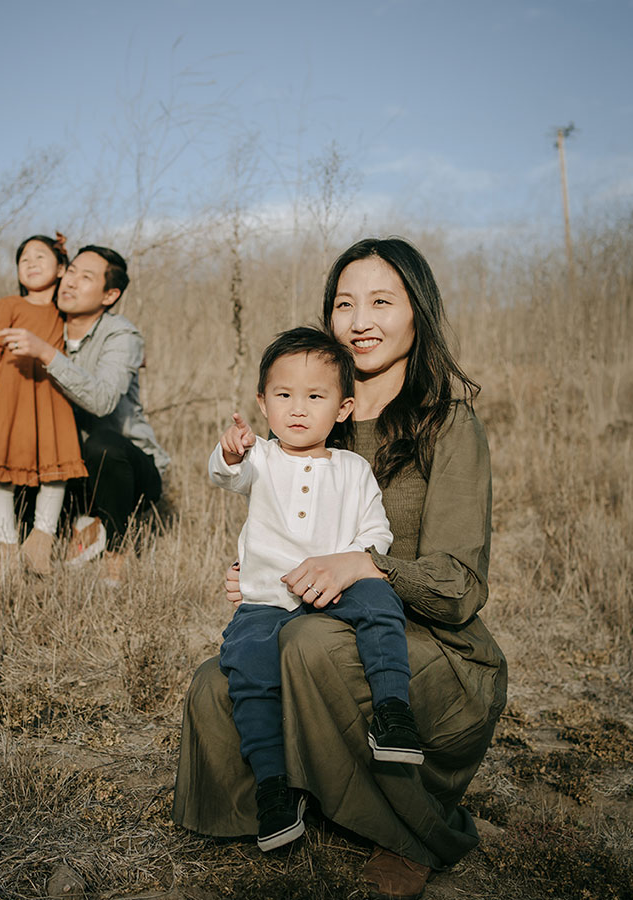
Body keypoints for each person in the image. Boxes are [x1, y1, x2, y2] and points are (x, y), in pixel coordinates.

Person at [174, 238, 506, 900]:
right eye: (344, 304)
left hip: (429, 645)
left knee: (309, 644)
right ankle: (291, 797)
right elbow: (277, 524)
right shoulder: (312, 415)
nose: (360, 321)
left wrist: (362, 565)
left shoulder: (449, 425)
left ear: (418, 315)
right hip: (317, 625)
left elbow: (459, 584)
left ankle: (408, 832)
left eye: (382, 302)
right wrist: (261, 577)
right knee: (222, 680)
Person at [211, 326, 423, 853]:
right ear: (262, 403)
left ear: (344, 408)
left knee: (380, 599)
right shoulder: (260, 458)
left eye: (315, 397)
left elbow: (375, 535)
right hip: (266, 599)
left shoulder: (354, 470)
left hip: (335, 595)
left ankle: (393, 715)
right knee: (248, 665)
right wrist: (230, 452)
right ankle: (273, 787)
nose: (298, 409)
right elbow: (224, 475)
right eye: (283, 396)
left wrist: (351, 566)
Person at [0, 245, 169, 578]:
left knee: (101, 444)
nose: (70, 282)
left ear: (109, 294)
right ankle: (70, 528)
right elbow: (7, 414)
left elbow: (102, 401)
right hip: (63, 467)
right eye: (71, 271)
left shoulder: (121, 336)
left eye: (86, 277)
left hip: (123, 472)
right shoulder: (44, 325)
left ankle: (115, 558)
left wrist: (45, 353)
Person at [0, 234, 87, 573]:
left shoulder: (65, 310)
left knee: (55, 469)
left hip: (49, 397)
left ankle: (42, 538)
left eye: (40, 256)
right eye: (23, 258)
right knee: (2, 472)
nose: (30, 263)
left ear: (60, 269)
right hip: (9, 398)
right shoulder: (9, 305)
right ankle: (6, 545)